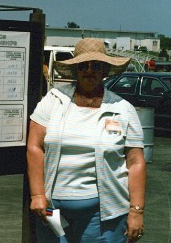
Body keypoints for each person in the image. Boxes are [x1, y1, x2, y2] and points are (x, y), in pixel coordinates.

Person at [27, 38, 146, 243]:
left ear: (105, 70)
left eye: (96, 65)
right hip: (51, 210)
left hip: (102, 214)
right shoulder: (53, 100)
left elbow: (135, 162)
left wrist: (136, 211)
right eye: (84, 65)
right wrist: (37, 195)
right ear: (76, 69)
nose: (89, 71)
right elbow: (35, 147)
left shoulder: (122, 108)